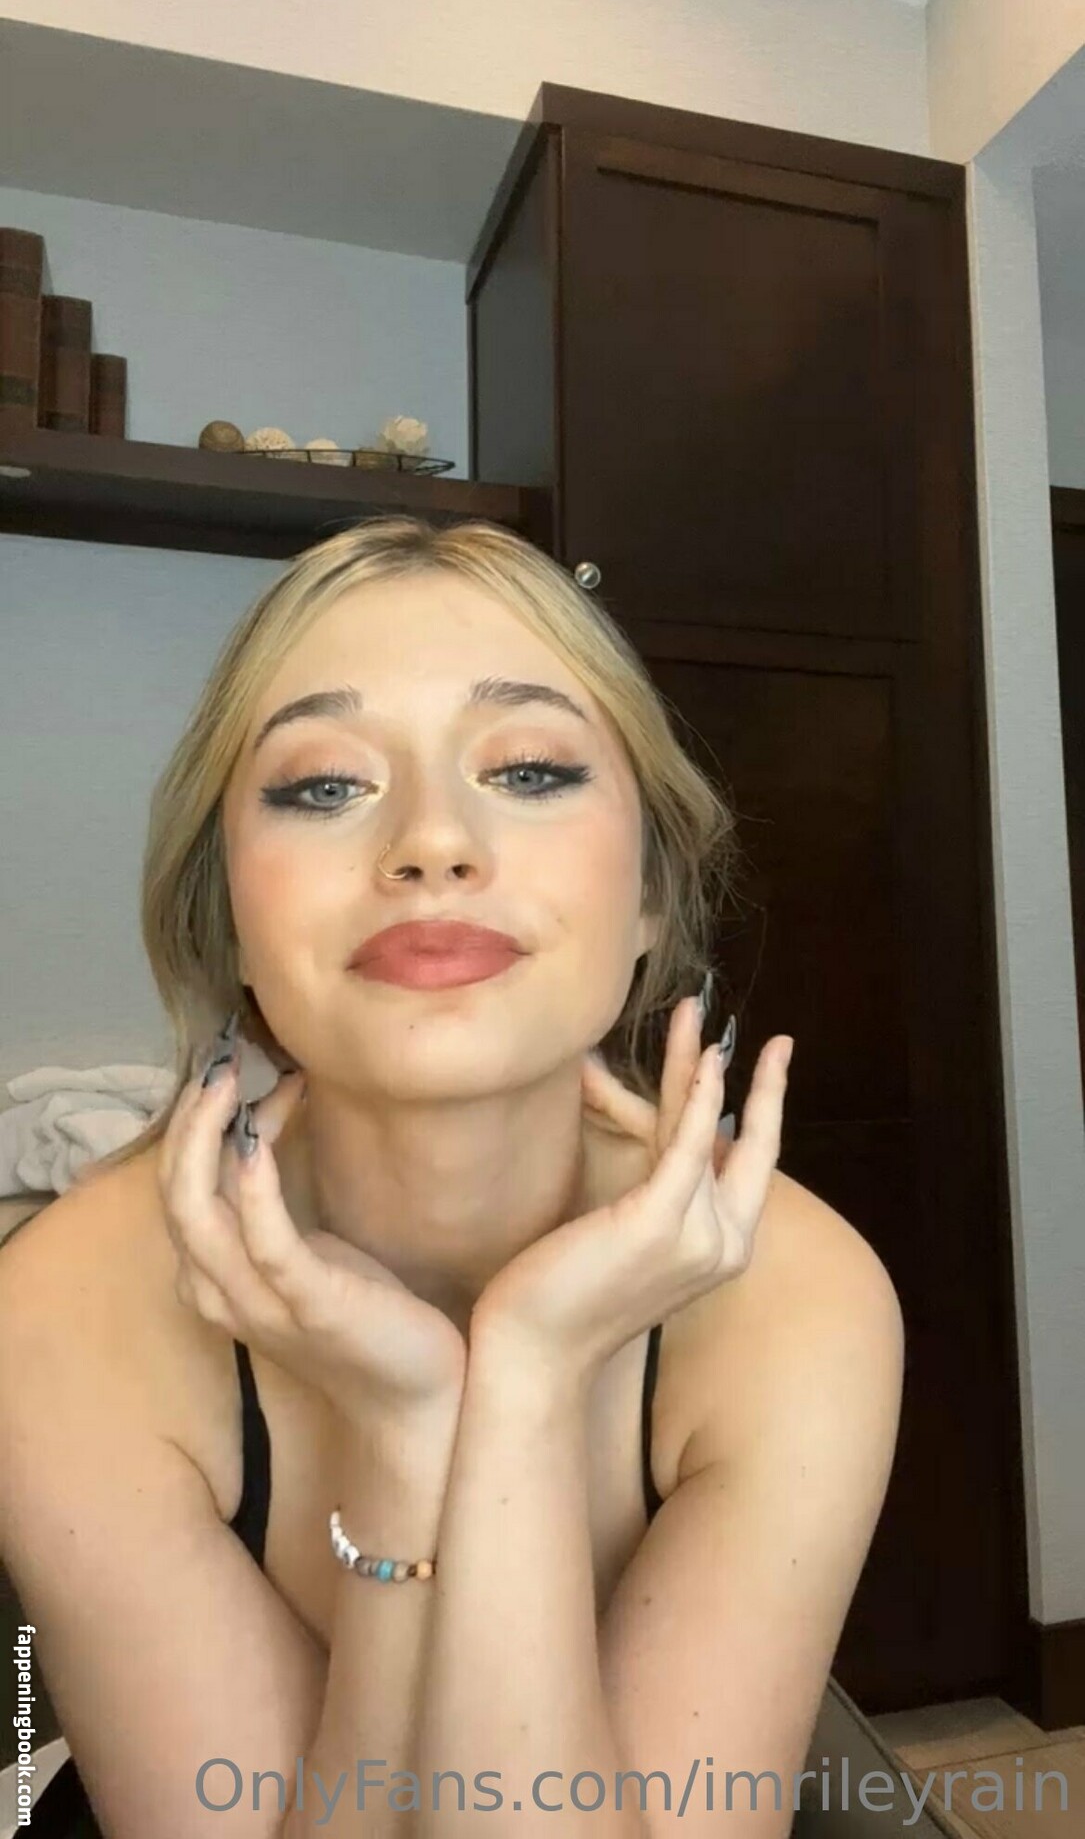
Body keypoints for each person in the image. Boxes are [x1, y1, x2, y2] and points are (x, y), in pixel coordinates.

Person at [0, 516, 903, 1838]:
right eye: (325, 786)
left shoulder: (793, 1295)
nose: (432, 842)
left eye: (529, 770)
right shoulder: (61, 1312)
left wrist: (522, 1380)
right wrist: (409, 1431)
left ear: (650, 897)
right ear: (227, 914)